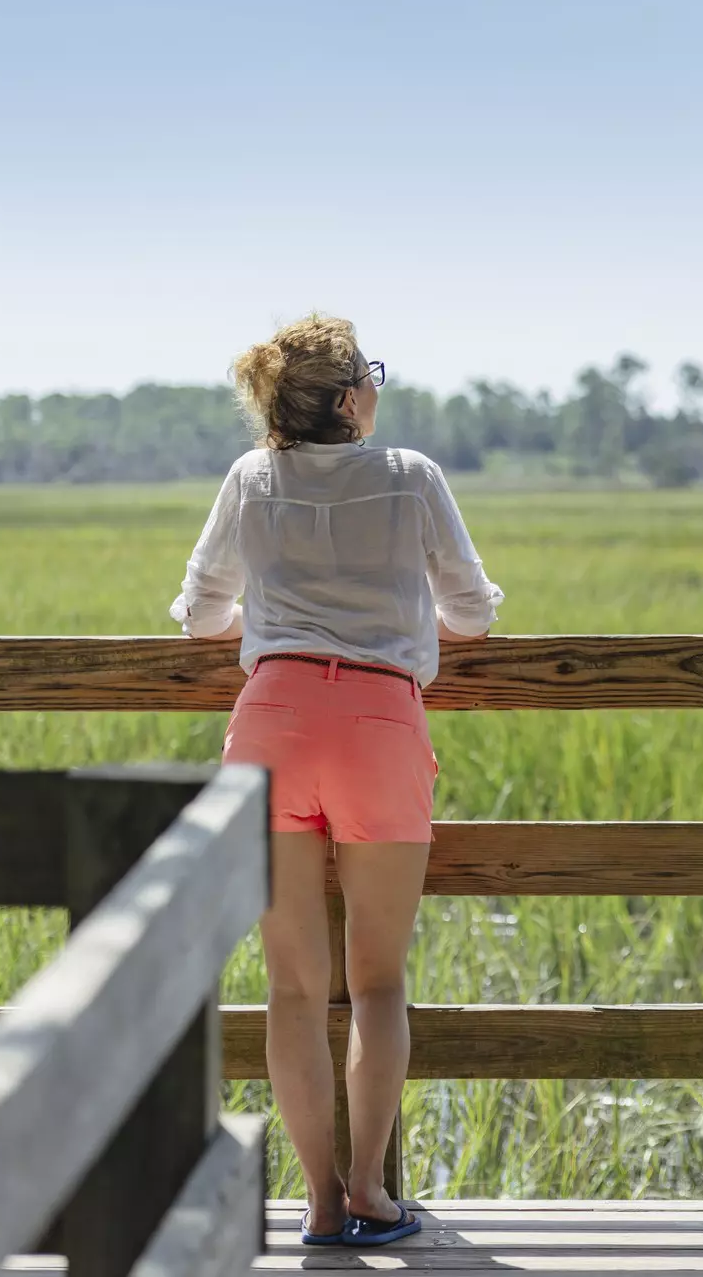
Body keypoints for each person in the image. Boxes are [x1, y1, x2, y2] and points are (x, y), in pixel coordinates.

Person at [168, 314, 502, 1247]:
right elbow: (471, 613)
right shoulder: (411, 476)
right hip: (379, 722)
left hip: (270, 722)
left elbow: (201, 615)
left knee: (292, 988)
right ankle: (369, 1192)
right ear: (352, 398)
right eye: (372, 376)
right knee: (380, 983)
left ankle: (315, 1207)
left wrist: (276, 605)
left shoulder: (250, 479)